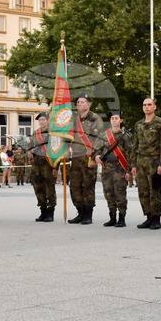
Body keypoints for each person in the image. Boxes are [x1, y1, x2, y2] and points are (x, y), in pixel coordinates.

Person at [131, 98, 161, 229]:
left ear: (154, 107)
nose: (146, 107)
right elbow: (135, 145)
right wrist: (133, 164)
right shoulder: (138, 125)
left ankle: (156, 218)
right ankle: (148, 216)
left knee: (155, 190)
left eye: (149, 105)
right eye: (144, 105)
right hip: (141, 161)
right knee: (143, 190)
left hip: (154, 161)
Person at [68, 95, 103, 224]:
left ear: (88, 105)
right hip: (76, 156)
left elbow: (99, 139)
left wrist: (95, 156)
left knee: (88, 185)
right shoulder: (73, 120)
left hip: (88, 156)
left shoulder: (95, 118)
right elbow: (68, 135)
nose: (79, 104)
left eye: (82, 102)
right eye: (78, 102)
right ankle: (80, 211)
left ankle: (88, 214)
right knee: (75, 185)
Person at [95, 111, 132, 227]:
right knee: (108, 193)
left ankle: (121, 218)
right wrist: (96, 155)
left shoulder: (126, 136)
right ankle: (112, 216)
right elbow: (97, 148)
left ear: (121, 120)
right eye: (112, 118)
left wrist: (128, 171)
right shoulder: (104, 135)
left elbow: (129, 155)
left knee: (120, 193)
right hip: (107, 169)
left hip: (120, 168)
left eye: (117, 118)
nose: (114, 120)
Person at [27, 112, 58, 222]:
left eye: (43, 119)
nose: (41, 122)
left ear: (48, 120)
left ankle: (50, 212)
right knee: (38, 188)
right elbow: (30, 146)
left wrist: (56, 167)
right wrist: (29, 153)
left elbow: (57, 151)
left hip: (49, 164)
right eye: (40, 120)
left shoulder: (54, 133)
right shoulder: (36, 133)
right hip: (37, 165)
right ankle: (43, 210)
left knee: (49, 188)